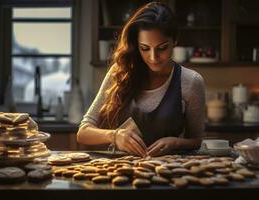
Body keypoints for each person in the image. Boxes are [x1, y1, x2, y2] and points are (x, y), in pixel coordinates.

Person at [77, 2, 205, 157]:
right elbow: (83, 132)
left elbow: (196, 140)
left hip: (169, 172)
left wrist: (175, 142)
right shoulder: (120, 72)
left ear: (175, 40)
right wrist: (115, 136)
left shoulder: (191, 81)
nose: (153, 58)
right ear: (136, 45)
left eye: (162, 48)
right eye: (145, 48)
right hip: (121, 173)